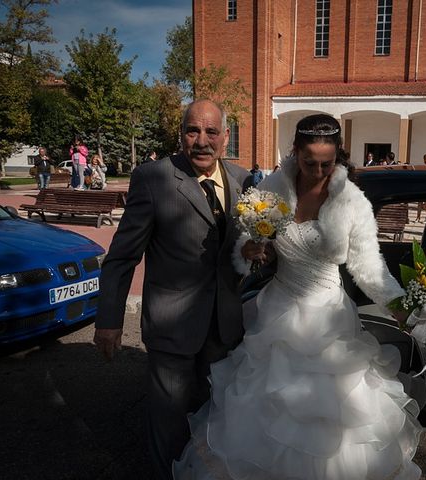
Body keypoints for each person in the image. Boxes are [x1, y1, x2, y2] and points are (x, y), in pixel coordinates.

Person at [174, 113, 423, 479]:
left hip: (330, 321)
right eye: (310, 162)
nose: (319, 170)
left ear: (338, 156)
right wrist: (251, 252)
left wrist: (409, 312)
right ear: (295, 152)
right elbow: (247, 242)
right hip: (278, 315)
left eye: (327, 163)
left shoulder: (352, 203)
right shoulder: (272, 189)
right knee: (261, 415)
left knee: (334, 425)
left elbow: (370, 268)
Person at [94, 99, 252, 480]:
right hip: (172, 326)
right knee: (167, 424)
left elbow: (240, 251)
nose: (201, 141)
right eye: (192, 130)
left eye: (211, 132)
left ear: (225, 137)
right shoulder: (154, 178)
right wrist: (109, 321)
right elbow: (121, 257)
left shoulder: (243, 180)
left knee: (214, 417)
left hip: (225, 326)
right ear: (181, 135)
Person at [415, 153, 426, 222]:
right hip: (422, 186)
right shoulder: (422, 168)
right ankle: (418, 217)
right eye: (425, 160)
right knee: (419, 202)